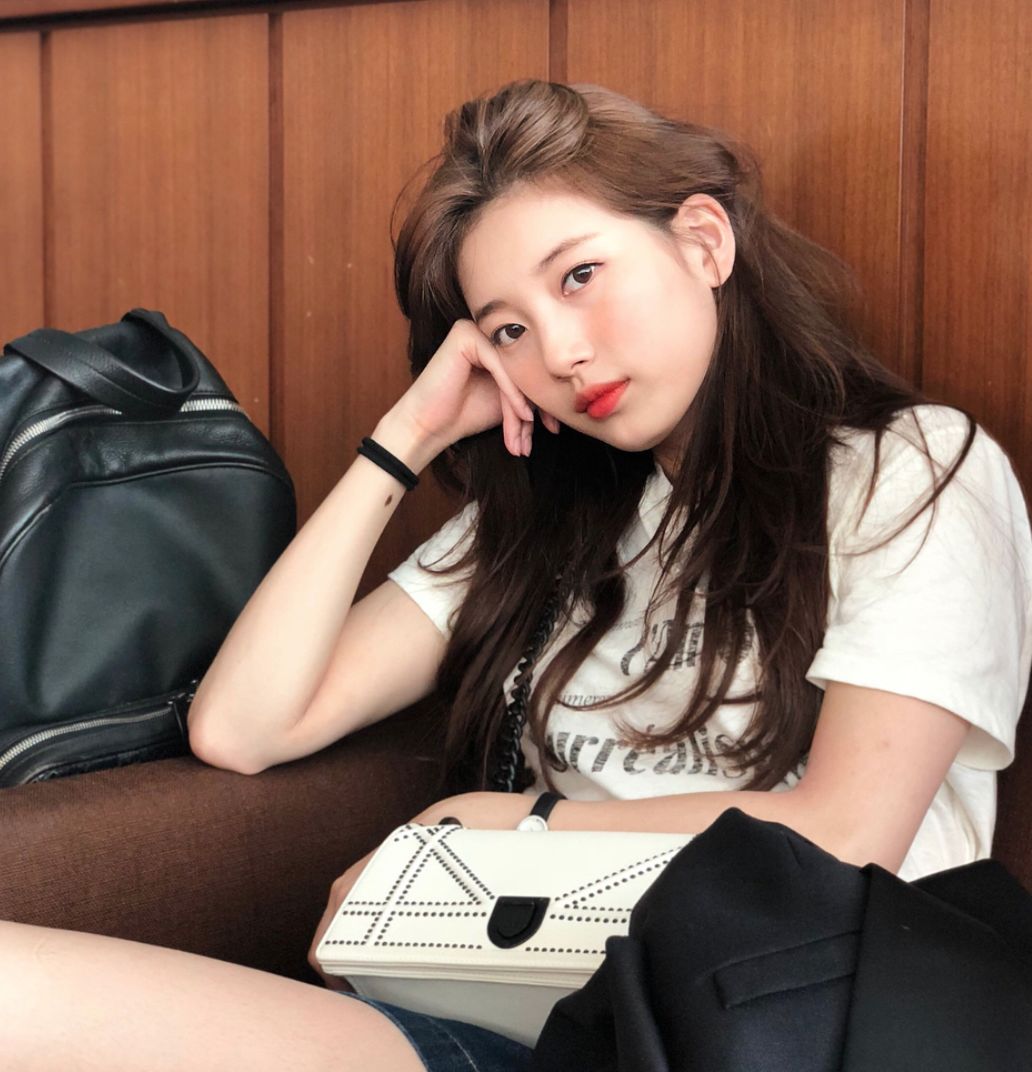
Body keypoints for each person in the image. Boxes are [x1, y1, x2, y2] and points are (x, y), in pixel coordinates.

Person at [4, 78, 1031, 1072]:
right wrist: (406, 439)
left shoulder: (911, 471)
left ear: (703, 242)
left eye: (579, 276)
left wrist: (513, 825)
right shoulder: (544, 522)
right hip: (520, 1019)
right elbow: (241, 727)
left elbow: (848, 833)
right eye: (508, 329)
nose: (562, 352)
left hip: (779, 1025)